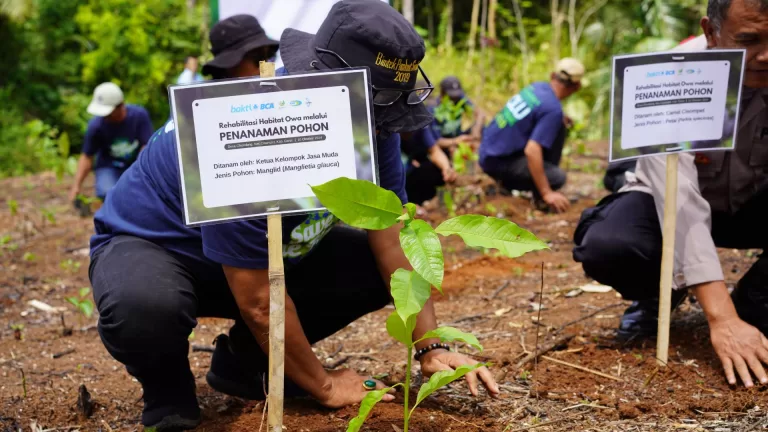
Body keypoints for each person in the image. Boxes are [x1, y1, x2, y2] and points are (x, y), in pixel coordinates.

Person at [88, 5, 498, 431]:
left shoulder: (373, 126)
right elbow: (259, 299)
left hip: (261, 258)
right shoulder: (248, 124)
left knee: (373, 270)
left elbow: (391, 236)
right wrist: (323, 385)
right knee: (144, 308)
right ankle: (167, 389)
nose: (381, 131)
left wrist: (430, 346)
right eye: (377, 116)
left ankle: (245, 365)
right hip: (161, 249)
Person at [574, 0, 768, 389]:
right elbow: (676, 197)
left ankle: (755, 303)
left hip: (754, 204)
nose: (766, 55)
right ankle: (658, 295)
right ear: (712, 33)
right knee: (611, 244)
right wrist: (721, 318)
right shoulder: (669, 75)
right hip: (674, 208)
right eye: (749, 40)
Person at [478, 58, 585, 213]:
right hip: (498, 163)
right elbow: (532, 150)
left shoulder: (538, 87)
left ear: (552, 75)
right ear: (577, 86)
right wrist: (546, 192)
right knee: (557, 177)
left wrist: (558, 119)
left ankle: (525, 184)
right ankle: (538, 195)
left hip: (487, 153)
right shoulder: (553, 109)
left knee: (558, 126)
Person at [68, 82, 154, 204]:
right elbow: (87, 156)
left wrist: (139, 171)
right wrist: (76, 186)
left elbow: (147, 145)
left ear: (120, 106)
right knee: (108, 193)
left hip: (135, 164)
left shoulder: (139, 116)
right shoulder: (96, 126)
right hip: (109, 167)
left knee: (141, 193)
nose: (105, 116)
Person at [401, 125, 457, 204]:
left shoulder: (420, 125)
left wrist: (446, 168)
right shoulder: (387, 132)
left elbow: (434, 150)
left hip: (412, 166)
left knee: (435, 170)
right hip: (401, 174)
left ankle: (422, 203)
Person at [431, 76, 484, 150]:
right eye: (451, 97)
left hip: (459, 136)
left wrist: (477, 129)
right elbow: (435, 141)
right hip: (444, 143)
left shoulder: (459, 98)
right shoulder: (434, 109)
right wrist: (455, 141)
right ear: (442, 94)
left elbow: (480, 114)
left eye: (456, 96)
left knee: (483, 129)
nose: (455, 100)